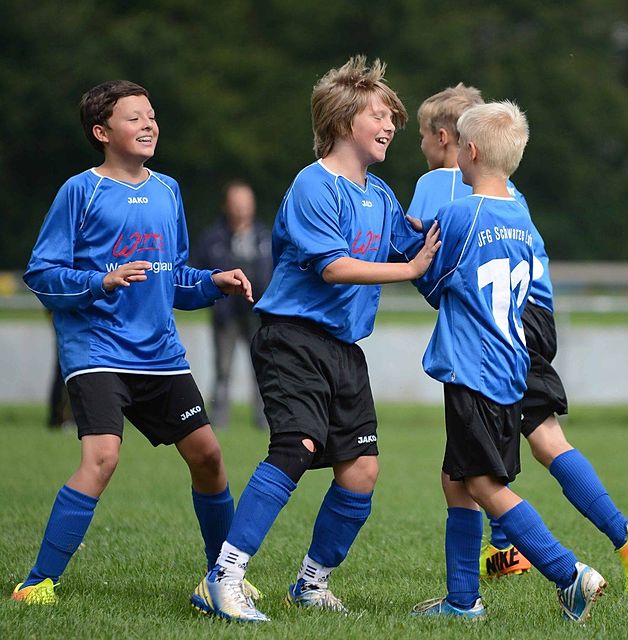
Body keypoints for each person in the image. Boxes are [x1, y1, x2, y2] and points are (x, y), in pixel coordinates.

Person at [190, 56, 440, 623]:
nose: (391, 126)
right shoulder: (313, 185)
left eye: (394, 119)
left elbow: (417, 246)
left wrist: (468, 199)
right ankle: (222, 579)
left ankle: (310, 584)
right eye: (380, 114)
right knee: (296, 448)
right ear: (344, 119)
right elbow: (334, 267)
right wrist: (409, 269)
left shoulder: (379, 194)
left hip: (345, 350)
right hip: (292, 340)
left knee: (362, 471)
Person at [408, 83, 628, 597]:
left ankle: (519, 562)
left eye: (428, 140)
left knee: (474, 474)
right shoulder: (516, 201)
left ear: (452, 142)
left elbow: (433, 276)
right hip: (533, 320)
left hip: (485, 338)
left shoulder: (440, 186)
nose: (427, 151)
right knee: (543, 441)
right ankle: (621, 534)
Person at [13, 80, 255, 606]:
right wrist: (99, 281)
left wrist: (213, 282)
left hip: (159, 353)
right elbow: (42, 273)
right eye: (134, 118)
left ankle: (223, 577)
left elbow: (171, 278)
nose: (149, 125)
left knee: (210, 457)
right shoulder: (81, 191)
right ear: (102, 132)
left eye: (152, 115)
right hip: (97, 350)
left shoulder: (168, 190)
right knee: (101, 458)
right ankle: (37, 583)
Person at [194, 180, 273, 430]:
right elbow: (197, 271)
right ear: (226, 206)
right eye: (237, 204)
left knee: (263, 369)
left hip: (257, 314)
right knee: (222, 370)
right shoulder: (213, 238)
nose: (242, 209)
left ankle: (264, 420)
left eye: (246, 204)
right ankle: (218, 421)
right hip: (225, 314)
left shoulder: (265, 237)